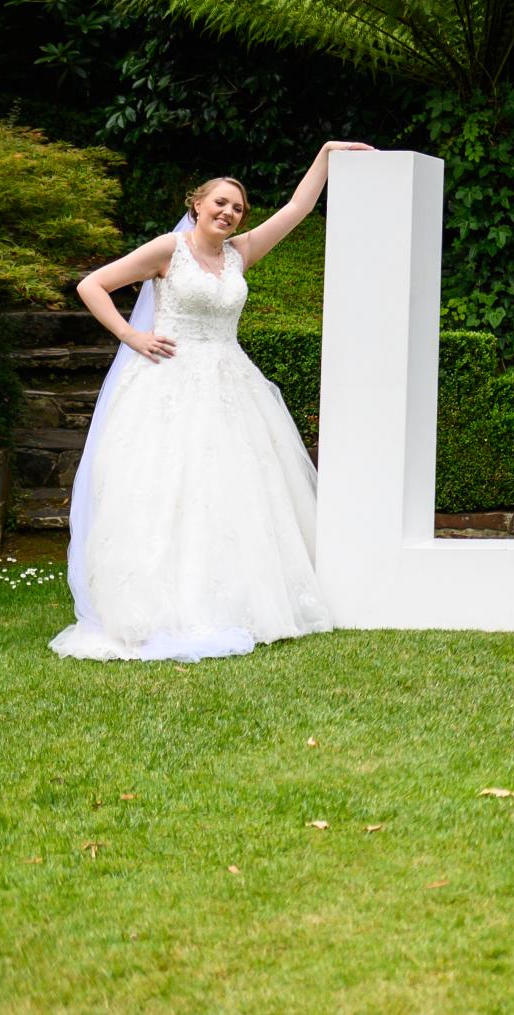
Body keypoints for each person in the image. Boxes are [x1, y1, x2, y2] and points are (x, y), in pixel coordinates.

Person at [52, 140, 372, 662]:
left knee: (236, 492)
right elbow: (94, 285)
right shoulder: (166, 250)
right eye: (220, 203)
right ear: (196, 205)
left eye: (238, 208)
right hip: (169, 384)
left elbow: (298, 209)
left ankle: (241, 602)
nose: (228, 212)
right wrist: (133, 338)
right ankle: (161, 605)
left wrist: (327, 153)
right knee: (168, 491)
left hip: (232, 384)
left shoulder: (240, 253)